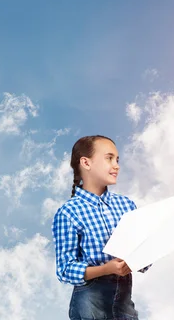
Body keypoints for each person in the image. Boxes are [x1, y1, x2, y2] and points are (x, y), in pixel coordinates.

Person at [52, 135, 151, 320]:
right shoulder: (68, 212)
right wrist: (105, 269)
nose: (116, 165)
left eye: (117, 160)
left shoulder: (126, 205)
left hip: (124, 306)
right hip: (89, 308)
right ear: (86, 163)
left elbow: (142, 255)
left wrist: (140, 258)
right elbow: (65, 269)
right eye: (109, 158)